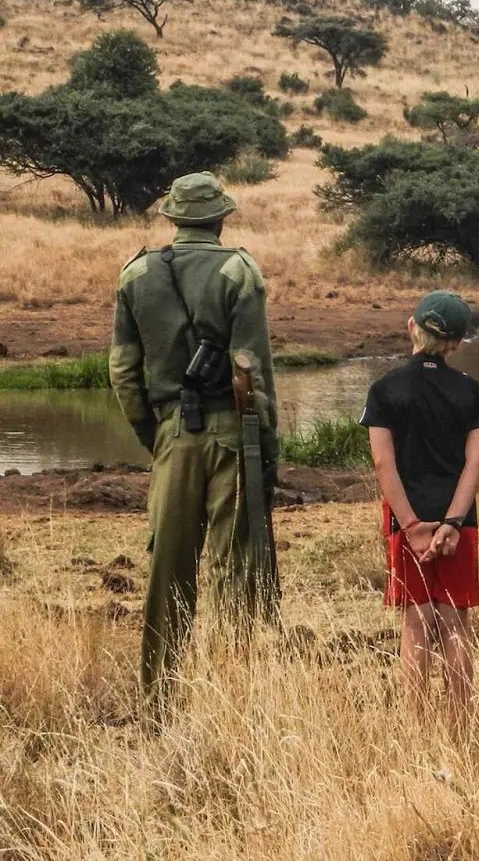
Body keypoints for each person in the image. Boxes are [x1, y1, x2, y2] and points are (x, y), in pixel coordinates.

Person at [110, 172, 280, 723]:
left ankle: (160, 701)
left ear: (173, 218)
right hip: (235, 434)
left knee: (168, 568)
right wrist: (267, 447)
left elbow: (123, 373)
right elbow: (252, 369)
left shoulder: (135, 274)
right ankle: (236, 701)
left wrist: (157, 435)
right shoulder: (239, 271)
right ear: (220, 218)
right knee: (236, 567)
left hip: (171, 436)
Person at [360, 291, 479, 730]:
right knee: (456, 625)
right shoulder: (472, 391)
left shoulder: (385, 390)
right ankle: (460, 725)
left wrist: (413, 525)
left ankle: (416, 726)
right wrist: (452, 523)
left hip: (407, 524)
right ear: (456, 344)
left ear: (411, 327)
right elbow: (476, 462)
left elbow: (384, 463)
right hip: (460, 526)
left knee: (415, 627)